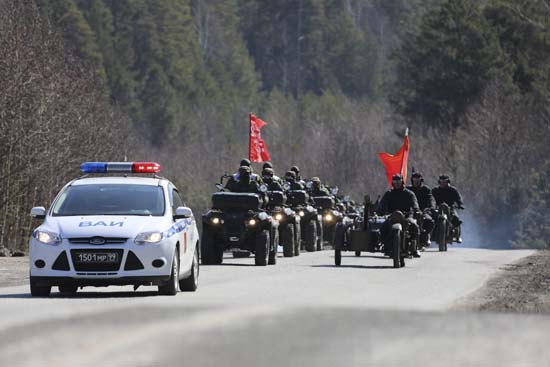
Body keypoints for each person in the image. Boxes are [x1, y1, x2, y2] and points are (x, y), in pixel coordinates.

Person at [377, 174, 421, 257]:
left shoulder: (409, 193)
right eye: (395, 181)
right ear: (392, 182)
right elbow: (382, 204)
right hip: (392, 216)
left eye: (399, 181)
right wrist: (380, 210)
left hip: (406, 216)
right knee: (383, 228)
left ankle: (415, 248)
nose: (397, 183)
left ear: (402, 181)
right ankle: (386, 246)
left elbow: (415, 203)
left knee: (414, 226)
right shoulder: (388, 193)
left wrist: (416, 209)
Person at [432, 174, 464, 243]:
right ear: (439, 182)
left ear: (448, 182)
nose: (443, 183)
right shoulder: (435, 190)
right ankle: (430, 236)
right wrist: (431, 206)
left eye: (445, 181)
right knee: (431, 220)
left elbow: (458, 198)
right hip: (438, 208)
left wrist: (460, 204)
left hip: (450, 208)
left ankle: (458, 236)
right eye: (441, 181)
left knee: (456, 218)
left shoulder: (453, 190)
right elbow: (431, 198)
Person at [407, 172, 435, 247]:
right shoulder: (408, 189)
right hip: (410, 211)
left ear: (421, 180)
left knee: (429, 221)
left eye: (418, 180)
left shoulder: (426, 189)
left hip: (423, 210)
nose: (416, 182)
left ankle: (425, 236)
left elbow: (431, 199)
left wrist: (432, 207)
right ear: (412, 180)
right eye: (414, 180)